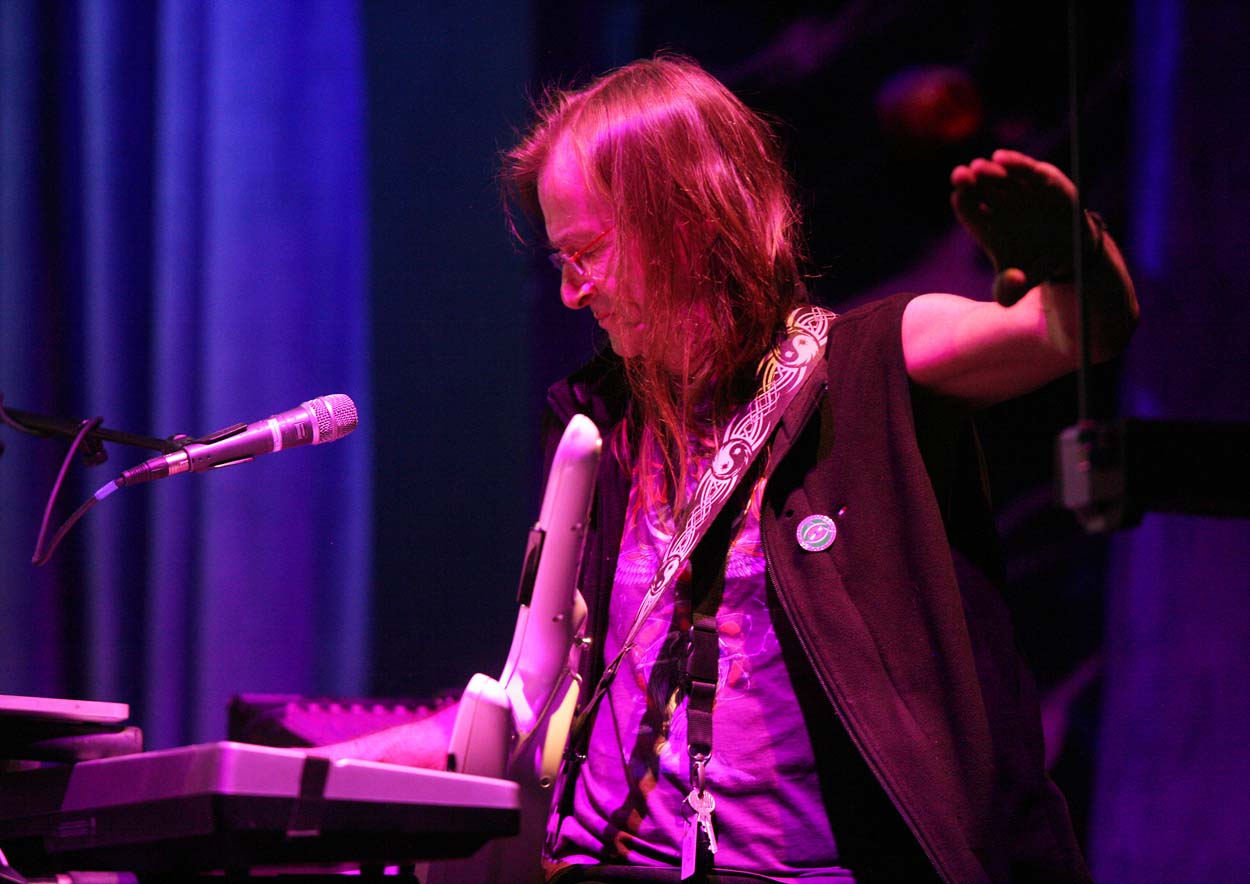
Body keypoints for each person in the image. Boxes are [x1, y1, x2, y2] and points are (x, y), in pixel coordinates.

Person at [323, 56, 1137, 883]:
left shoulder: (865, 365)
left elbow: (1077, 331)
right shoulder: (598, 424)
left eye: (587, 252)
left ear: (685, 223)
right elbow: (536, 693)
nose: (571, 292)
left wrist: (1079, 261)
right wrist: (307, 773)